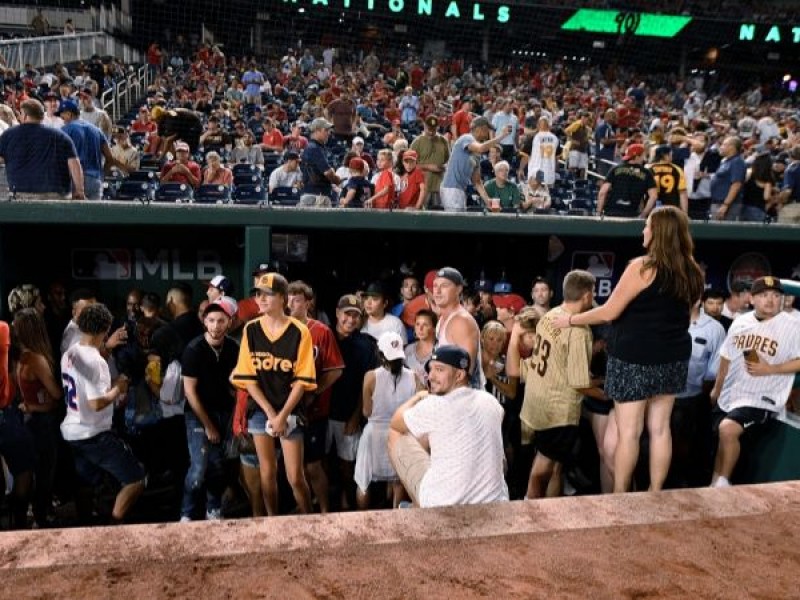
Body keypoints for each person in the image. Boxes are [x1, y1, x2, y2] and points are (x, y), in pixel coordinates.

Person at [552, 207, 705, 493]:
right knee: (660, 429)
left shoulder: (642, 267)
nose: (643, 231)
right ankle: (655, 492)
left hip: (634, 358)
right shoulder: (693, 271)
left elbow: (609, 312)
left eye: (647, 226)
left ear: (658, 232)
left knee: (629, 432)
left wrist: (570, 319)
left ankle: (622, 497)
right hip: (673, 359)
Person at [509, 270, 602, 499]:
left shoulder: (550, 315)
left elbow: (558, 365)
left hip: (537, 403)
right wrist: (606, 394)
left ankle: (546, 514)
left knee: (554, 468)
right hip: (557, 411)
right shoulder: (579, 331)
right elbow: (580, 384)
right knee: (541, 472)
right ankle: (530, 515)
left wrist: (596, 381)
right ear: (587, 296)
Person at [231, 272, 316, 516]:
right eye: (259, 294)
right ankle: (273, 523)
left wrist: (282, 415)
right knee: (266, 473)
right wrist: (270, 413)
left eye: (268, 294)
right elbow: (248, 379)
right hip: (261, 409)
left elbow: (302, 380)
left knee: (294, 476)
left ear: (282, 298)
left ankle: (310, 520)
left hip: (290, 408)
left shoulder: (300, 331)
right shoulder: (251, 330)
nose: (262, 299)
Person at [387, 345, 509, 508]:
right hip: (493, 500)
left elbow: (396, 422)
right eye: (430, 370)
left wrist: (418, 397)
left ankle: (418, 509)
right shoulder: (490, 401)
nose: (431, 376)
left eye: (439, 370)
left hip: (442, 505)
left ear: (459, 375)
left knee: (396, 434)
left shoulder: (435, 404)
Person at [709, 276, 800, 488]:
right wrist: (717, 388)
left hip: (762, 396)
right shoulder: (741, 322)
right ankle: (715, 483)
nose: (771, 300)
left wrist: (772, 369)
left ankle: (723, 484)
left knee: (728, 429)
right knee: (721, 438)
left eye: (777, 295)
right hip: (732, 394)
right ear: (752, 298)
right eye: (764, 295)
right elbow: (726, 356)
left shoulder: (794, 325)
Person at [60, 303, 145, 524]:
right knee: (136, 479)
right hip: (93, 434)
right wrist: (118, 388)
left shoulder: (70, 352)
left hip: (73, 431)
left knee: (85, 483)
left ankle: (86, 527)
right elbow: (97, 403)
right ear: (105, 329)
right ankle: (113, 530)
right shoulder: (95, 361)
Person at [179, 296, 240, 522]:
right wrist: (208, 425)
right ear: (205, 322)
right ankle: (186, 513)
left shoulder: (234, 347)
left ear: (229, 322)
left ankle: (213, 509)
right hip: (198, 415)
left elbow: (238, 385)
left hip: (224, 413)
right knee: (197, 472)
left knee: (217, 467)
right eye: (212, 320)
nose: (216, 326)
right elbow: (190, 392)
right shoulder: (193, 349)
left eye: (221, 321)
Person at [286, 281, 344, 514]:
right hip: (286, 408)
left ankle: (324, 512)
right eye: (288, 298)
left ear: (308, 303)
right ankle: (304, 508)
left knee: (312, 466)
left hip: (314, 411)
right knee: (292, 469)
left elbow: (336, 370)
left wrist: (314, 392)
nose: (290, 303)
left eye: (297, 299)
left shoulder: (321, 331)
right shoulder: (278, 328)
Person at [355, 331, 421, 509]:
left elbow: (366, 411)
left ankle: (362, 522)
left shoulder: (371, 376)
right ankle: (396, 521)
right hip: (400, 434)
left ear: (380, 353)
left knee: (364, 482)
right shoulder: (414, 376)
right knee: (399, 481)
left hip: (374, 433)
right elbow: (420, 408)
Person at [327, 294, 379, 510]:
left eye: (356, 315)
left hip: (347, 413)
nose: (350, 319)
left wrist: (356, 416)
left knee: (347, 466)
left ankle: (346, 501)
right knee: (319, 462)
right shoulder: (323, 335)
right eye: (347, 314)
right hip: (322, 412)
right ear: (338, 313)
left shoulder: (366, 345)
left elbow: (366, 386)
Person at [12, 308, 63, 527]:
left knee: (33, 475)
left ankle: (27, 519)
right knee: (44, 475)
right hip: (42, 424)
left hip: (29, 424)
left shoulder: (20, 358)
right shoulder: (35, 359)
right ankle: (41, 520)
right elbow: (56, 394)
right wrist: (39, 405)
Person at [0, 99, 84, 200]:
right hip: (56, 196)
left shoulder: (8, 135)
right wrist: (79, 191)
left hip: (21, 194)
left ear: (25, 115)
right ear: (42, 116)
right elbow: (74, 163)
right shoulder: (60, 136)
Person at [440, 117, 512, 212]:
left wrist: (487, 200)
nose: (488, 133)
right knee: (455, 223)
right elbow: (481, 148)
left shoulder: (477, 154)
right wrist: (502, 136)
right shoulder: (466, 138)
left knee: (458, 223)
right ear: (479, 129)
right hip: (451, 188)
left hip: (460, 190)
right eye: (487, 129)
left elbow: (477, 181)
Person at [433, 267, 485, 389]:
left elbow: (466, 373)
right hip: (448, 393)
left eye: (444, 286)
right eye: (435, 286)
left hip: (464, 399)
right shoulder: (442, 319)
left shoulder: (461, 321)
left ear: (459, 289)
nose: (438, 291)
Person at [596, 143, 657, 218]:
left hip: (611, 212)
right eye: (643, 156)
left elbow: (603, 192)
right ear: (637, 157)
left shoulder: (615, 169)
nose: (644, 158)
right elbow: (653, 196)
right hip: (632, 214)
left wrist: (598, 212)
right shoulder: (646, 173)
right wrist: (643, 215)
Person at [410, 114, 450, 209]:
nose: (431, 132)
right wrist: (428, 167)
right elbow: (409, 166)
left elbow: (449, 161)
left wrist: (444, 166)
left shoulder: (443, 141)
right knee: (422, 215)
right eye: (429, 129)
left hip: (440, 185)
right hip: (423, 187)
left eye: (434, 129)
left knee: (439, 215)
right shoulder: (417, 142)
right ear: (424, 125)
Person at [300, 118, 340, 207]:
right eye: (325, 130)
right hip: (316, 197)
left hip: (316, 194)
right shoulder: (314, 148)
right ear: (317, 131)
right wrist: (337, 180)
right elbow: (329, 173)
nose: (328, 133)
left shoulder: (316, 147)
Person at [711, 136, 747, 221]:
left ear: (732, 147)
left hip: (729, 205)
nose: (721, 147)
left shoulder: (737, 162)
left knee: (723, 231)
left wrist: (725, 205)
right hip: (718, 202)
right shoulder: (726, 161)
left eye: (724, 144)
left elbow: (736, 184)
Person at [649, 145, 688, 213]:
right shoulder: (677, 169)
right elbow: (682, 193)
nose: (672, 156)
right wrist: (685, 213)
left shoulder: (649, 169)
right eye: (670, 154)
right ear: (665, 155)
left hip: (652, 208)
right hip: (672, 208)